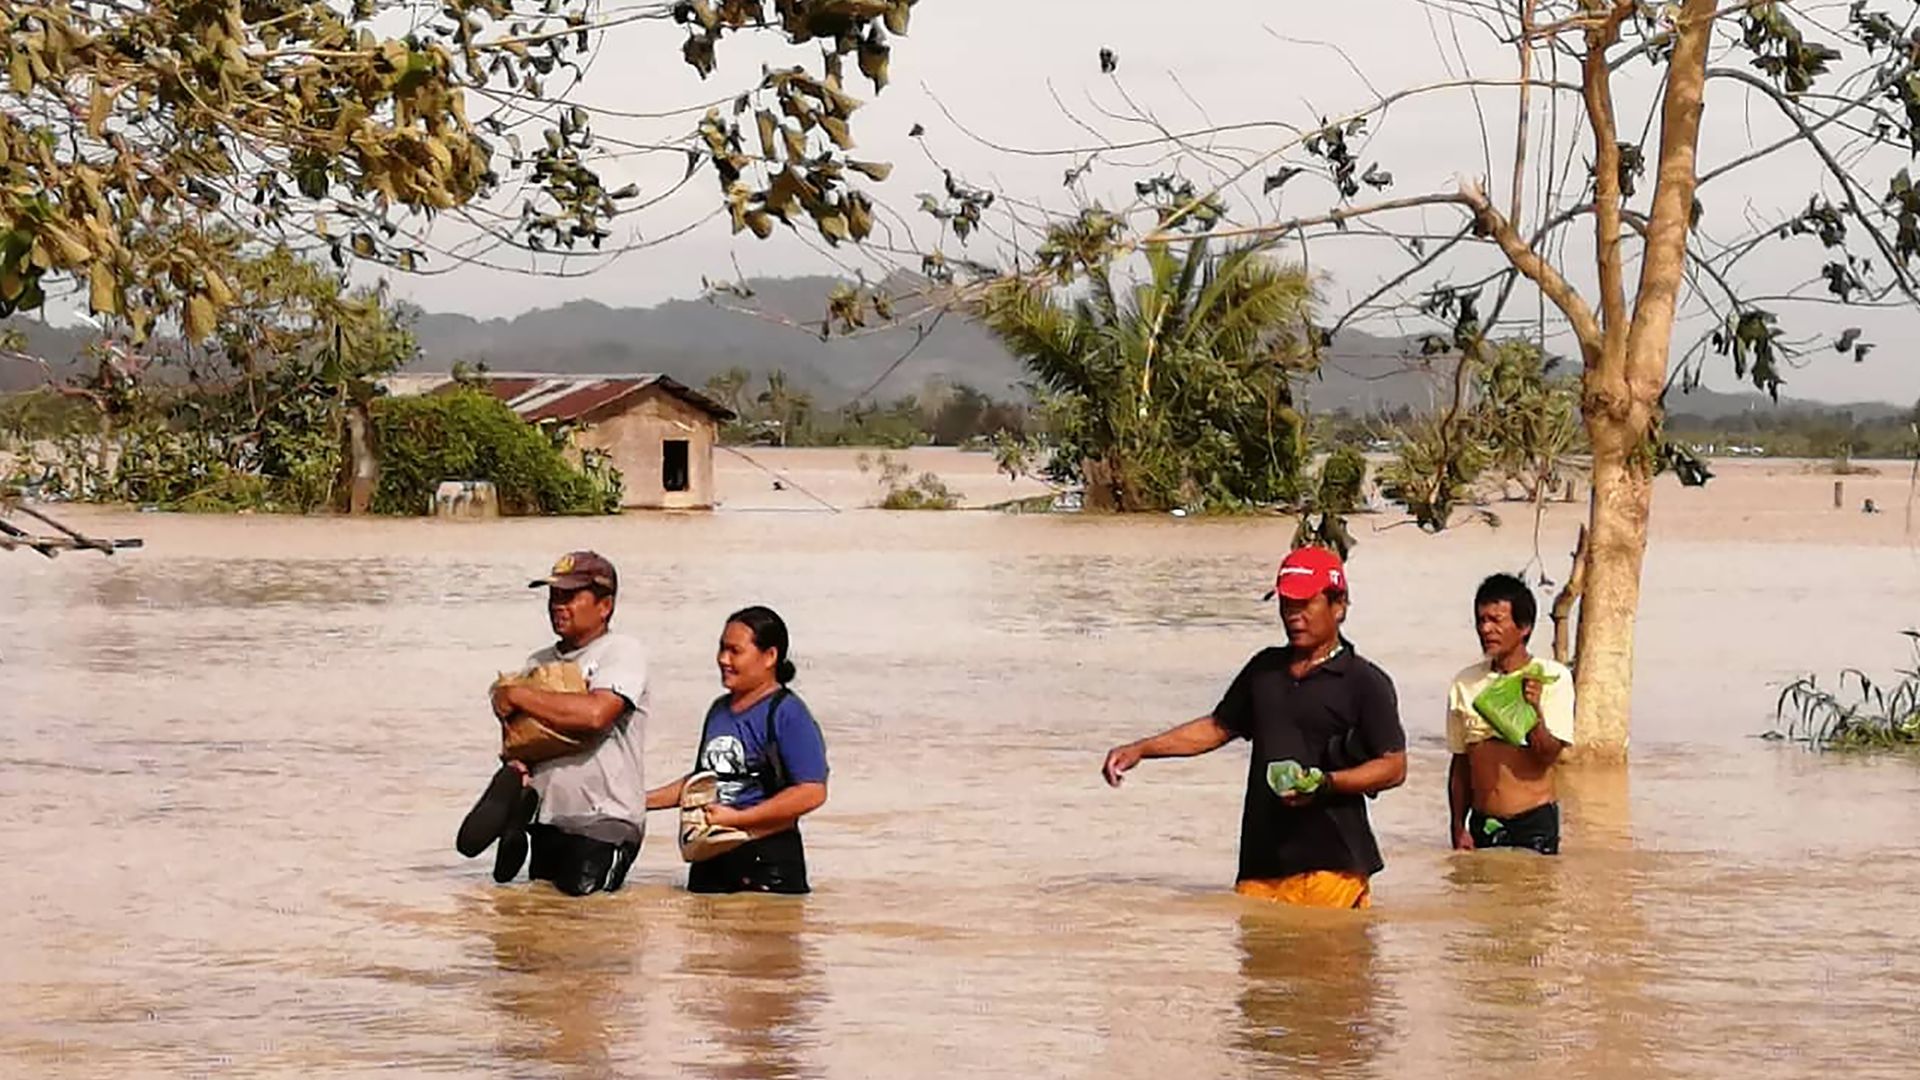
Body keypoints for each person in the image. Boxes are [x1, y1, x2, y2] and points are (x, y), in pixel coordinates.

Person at [1101, 546, 1408, 909]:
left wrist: (1325, 783)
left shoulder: (1364, 682)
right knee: (1258, 963)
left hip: (1332, 863)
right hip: (1260, 863)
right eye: (1286, 605)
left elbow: (1394, 767)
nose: (1294, 616)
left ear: (1338, 606)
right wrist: (1140, 750)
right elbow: (1217, 727)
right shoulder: (1265, 670)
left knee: (1324, 961)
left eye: (1305, 604)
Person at [457, 551, 650, 896]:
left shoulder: (621, 652)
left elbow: (596, 714)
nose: (558, 606)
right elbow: (525, 739)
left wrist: (517, 696)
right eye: (554, 596)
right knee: (544, 928)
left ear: (605, 606)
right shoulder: (539, 662)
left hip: (604, 823)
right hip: (548, 823)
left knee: (589, 923)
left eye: (570, 596)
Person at [647, 606, 829, 894]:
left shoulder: (787, 713)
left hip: (766, 862)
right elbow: (703, 781)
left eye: (735, 651)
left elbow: (812, 791)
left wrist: (738, 819)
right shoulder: (718, 710)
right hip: (709, 856)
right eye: (721, 649)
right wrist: (639, 801)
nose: (723, 659)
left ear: (770, 656)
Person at [1446, 573, 1575, 856]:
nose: (1486, 629)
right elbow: (1460, 763)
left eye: (1496, 620)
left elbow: (1548, 756)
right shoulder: (1465, 683)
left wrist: (1533, 712)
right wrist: (1457, 825)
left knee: (1531, 899)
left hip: (1533, 822)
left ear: (1524, 627)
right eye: (1481, 620)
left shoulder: (1552, 678)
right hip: (1484, 823)